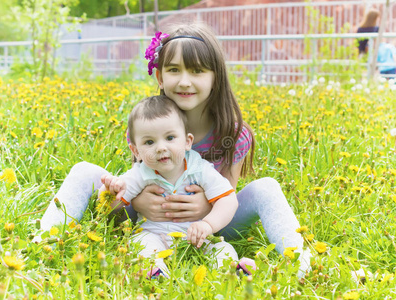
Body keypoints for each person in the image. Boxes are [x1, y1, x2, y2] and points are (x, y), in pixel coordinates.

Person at [38, 22, 310, 278]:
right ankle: (45, 241)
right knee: (84, 171)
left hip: (213, 224)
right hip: (149, 219)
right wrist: (135, 200)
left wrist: (204, 210)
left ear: (216, 77)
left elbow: (228, 192)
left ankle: (300, 262)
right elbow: (141, 174)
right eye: (174, 70)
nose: (184, 81)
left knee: (266, 187)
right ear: (159, 76)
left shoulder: (233, 134)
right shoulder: (147, 126)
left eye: (197, 71)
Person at [101, 95, 254, 277]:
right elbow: (114, 208)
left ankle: (231, 271)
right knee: (141, 242)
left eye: (170, 138)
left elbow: (228, 199)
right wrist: (110, 193)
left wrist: (207, 225)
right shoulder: (140, 173)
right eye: (149, 142)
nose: (160, 148)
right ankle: (156, 273)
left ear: (187, 142)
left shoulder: (199, 168)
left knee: (221, 247)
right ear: (136, 151)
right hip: (155, 234)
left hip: (197, 237)